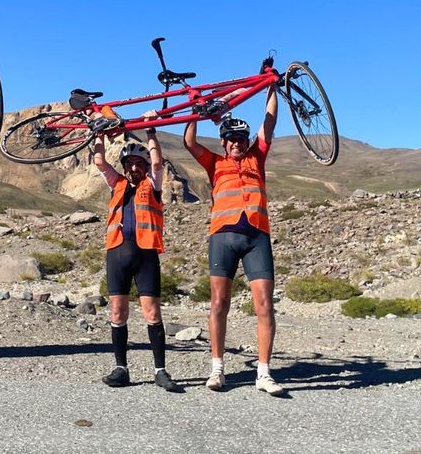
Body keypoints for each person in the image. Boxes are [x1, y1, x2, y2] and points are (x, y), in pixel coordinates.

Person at [183, 61, 284, 395]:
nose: (238, 144)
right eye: (231, 140)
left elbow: (268, 123)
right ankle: (217, 369)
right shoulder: (215, 163)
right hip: (222, 237)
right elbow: (189, 142)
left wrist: (271, 86)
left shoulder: (257, 158)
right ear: (224, 143)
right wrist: (197, 112)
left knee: (264, 305)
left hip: (257, 236)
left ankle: (264, 373)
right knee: (218, 304)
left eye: (241, 139)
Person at [93, 119, 181, 393]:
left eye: (138, 164)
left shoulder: (152, 186)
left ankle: (160, 370)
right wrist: (98, 135)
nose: (134, 168)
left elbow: (157, 162)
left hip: (145, 254)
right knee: (118, 311)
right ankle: (121, 368)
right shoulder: (116, 184)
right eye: (129, 163)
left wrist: (151, 131)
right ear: (124, 167)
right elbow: (99, 161)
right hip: (118, 253)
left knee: (152, 312)